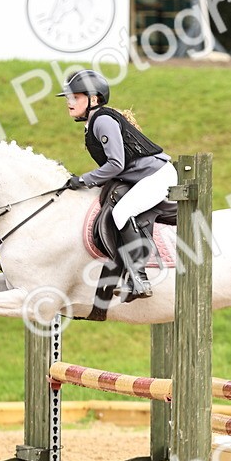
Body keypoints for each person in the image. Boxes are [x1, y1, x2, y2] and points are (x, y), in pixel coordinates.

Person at [58, 69, 175, 301]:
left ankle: (138, 278)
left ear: (94, 99)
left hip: (156, 176)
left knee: (122, 212)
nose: (69, 102)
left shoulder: (102, 120)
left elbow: (116, 164)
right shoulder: (93, 122)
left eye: (75, 97)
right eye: (69, 98)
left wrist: (84, 180)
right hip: (142, 177)